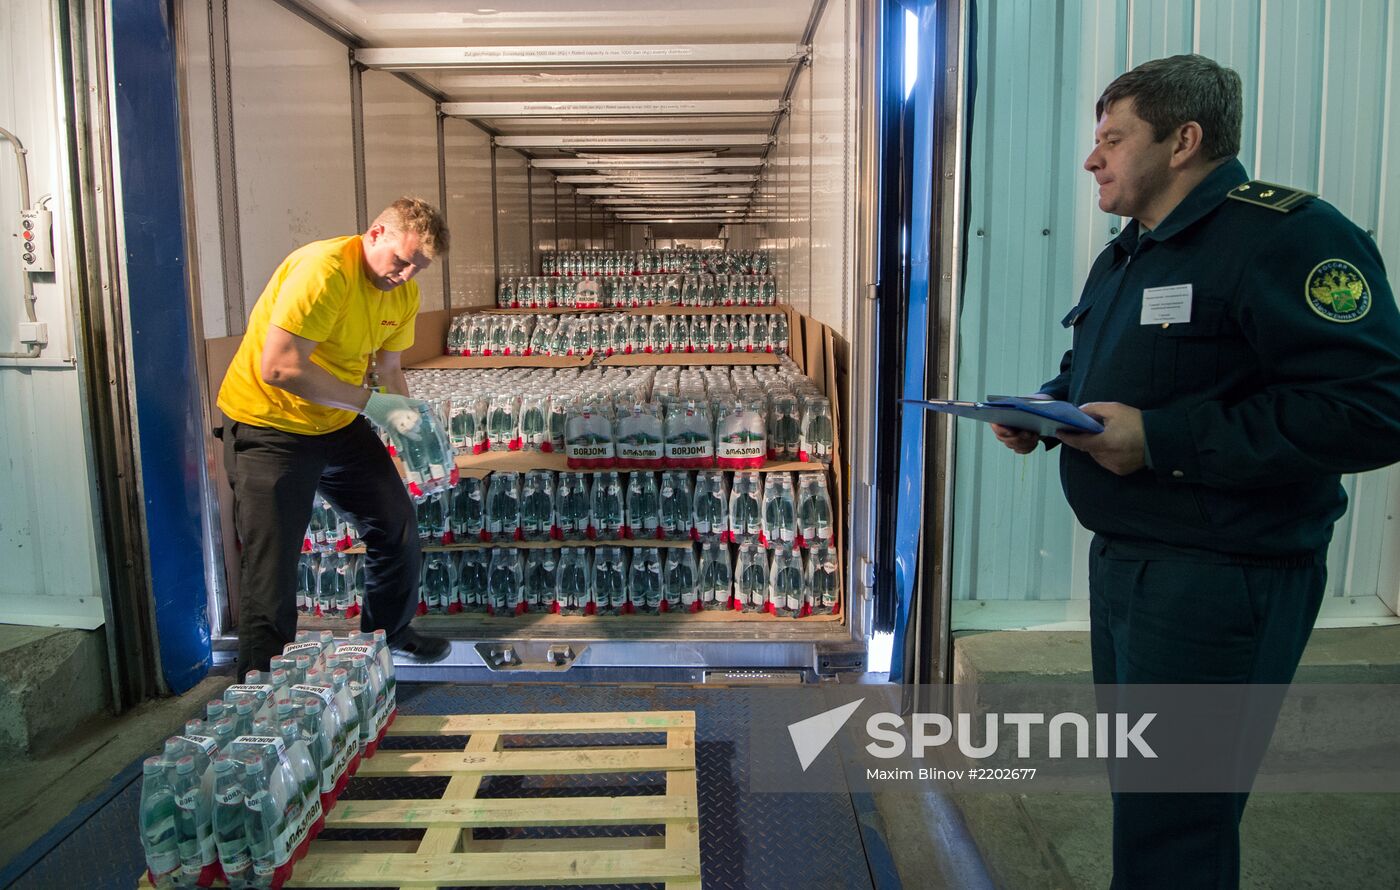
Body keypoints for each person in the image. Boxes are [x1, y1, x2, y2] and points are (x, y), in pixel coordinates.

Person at [991, 55, 1400, 888]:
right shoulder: (1132, 253)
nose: (1091, 158)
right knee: (1148, 805)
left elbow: (1371, 409)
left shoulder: (1287, 237)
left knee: (1176, 820)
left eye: (1112, 138)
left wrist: (1166, 440)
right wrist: (1049, 407)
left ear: (1184, 141)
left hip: (1222, 579)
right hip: (1134, 567)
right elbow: (1108, 370)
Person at [218, 196, 454, 677]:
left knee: (395, 525)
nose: (405, 275)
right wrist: (372, 405)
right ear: (375, 234)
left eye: (418, 269)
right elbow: (281, 366)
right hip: (272, 426)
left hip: (337, 423)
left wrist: (406, 421)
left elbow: (388, 367)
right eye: (402, 261)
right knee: (273, 566)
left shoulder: (402, 294)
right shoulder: (323, 270)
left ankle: (389, 632)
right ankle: (264, 688)